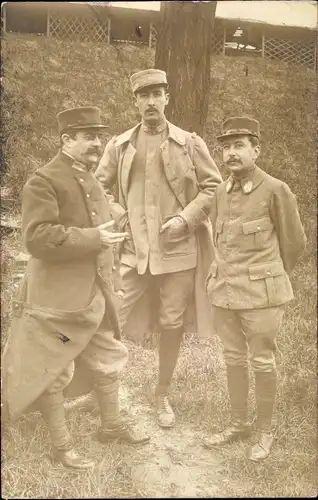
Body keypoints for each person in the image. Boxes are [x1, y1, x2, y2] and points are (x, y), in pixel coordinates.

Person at [2, 106, 150, 471]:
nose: (96, 144)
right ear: (66, 139)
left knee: (109, 355)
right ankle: (61, 446)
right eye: (87, 137)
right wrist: (93, 237)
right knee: (54, 368)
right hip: (57, 299)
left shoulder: (90, 178)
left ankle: (112, 425)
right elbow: (35, 238)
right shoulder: (43, 180)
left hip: (94, 294)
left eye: (99, 137)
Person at [95, 69, 222, 428]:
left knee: (172, 322)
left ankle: (161, 394)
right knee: (109, 315)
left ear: (167, 98)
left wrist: (185, 220)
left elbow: (213, 188)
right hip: (133, 253)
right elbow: (98, 188)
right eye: (144, 95)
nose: (151, 102)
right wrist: (120, 218)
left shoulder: (190, 143)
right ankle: (101, 391)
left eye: (157, 94)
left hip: (177, 252)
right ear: (135, 101)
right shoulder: (119, 145)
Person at [202, 116, 307, 461]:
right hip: (226, 291)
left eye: (239, 146)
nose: (231, 153)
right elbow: (221, 240)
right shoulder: (220, 190)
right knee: (232, 357)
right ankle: (238, 423)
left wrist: (270, 276)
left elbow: (294, 242)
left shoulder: (276, 189)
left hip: (262, 295)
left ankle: (264, 431)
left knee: (262, 361)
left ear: (256, 150)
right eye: (226, 147)